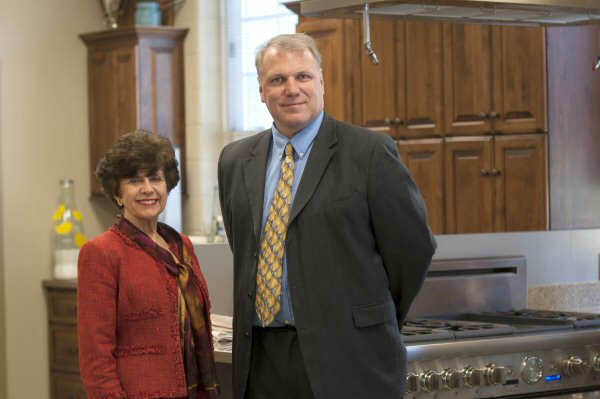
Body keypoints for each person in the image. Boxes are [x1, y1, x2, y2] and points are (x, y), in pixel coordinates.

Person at [217, 33, 437, 399]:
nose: (292, 89)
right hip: (261, 359)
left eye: (302, 76)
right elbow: (243, 246)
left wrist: (369, 318)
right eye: (277, 79)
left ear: (321, 81)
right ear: (261, 90)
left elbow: (412, 251)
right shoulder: (235, 160)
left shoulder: (368, 153)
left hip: (349, 356)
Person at [78, 130, 220, 399]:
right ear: (117, 193)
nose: (147, 189)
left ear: (167, 185)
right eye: (134, 180)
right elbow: (95, 356)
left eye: (155, 178)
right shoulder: (101, 252)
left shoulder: (182, 246)